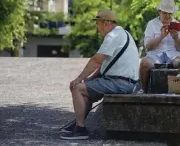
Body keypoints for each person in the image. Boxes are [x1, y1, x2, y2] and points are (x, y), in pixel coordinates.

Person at [60, 10, 140, 140]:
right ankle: (79, 125)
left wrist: (79, 79)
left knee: (77, 88)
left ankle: (80, 130)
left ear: (106, 23)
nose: (97, 28)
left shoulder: (112, 36)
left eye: (98, 24)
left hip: (120, 83)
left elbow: (96, 61)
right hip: (126, 82)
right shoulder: (123, 34)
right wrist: (90, 80)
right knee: (85, 90)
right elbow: (104, 66)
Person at [139, 0, 180, 93]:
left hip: (173, 55)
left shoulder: (177, 25)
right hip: (155, 55)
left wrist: (176, 38)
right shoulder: (152, 24)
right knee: (144, 63)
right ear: (159, 11)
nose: (167, 16)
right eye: (165, 13)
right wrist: (161, 37)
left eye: (170, 14)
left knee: (178, 59)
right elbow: (148, 46)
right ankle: (144, 90)